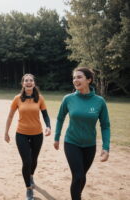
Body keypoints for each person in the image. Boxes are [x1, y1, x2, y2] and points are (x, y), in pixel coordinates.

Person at [54, 67, 110, 200]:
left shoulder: (99, 101)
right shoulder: (68, 99)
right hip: (72, 142)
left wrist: (106, 147)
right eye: (74, 78)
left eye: (79, 77)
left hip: (90, 145)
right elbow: (60, 118)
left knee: (82, 176)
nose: (75, 80)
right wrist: (56, 137)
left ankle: (77, 195)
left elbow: (105, 125)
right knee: (78, 175)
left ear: (89, 80)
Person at [4, 74, 51, 200]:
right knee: (27, 161)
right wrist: (6, 132)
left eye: (31, 80)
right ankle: (28, 188)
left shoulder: (40, 98)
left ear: (34, 83)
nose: (28, 82)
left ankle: (30, 175)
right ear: (23, 83)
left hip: (37, 134)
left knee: (34, 160)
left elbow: (45, 115)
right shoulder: (17, 98)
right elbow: (10, 116)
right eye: (26, 80)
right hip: (21, 134)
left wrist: (48, 126)